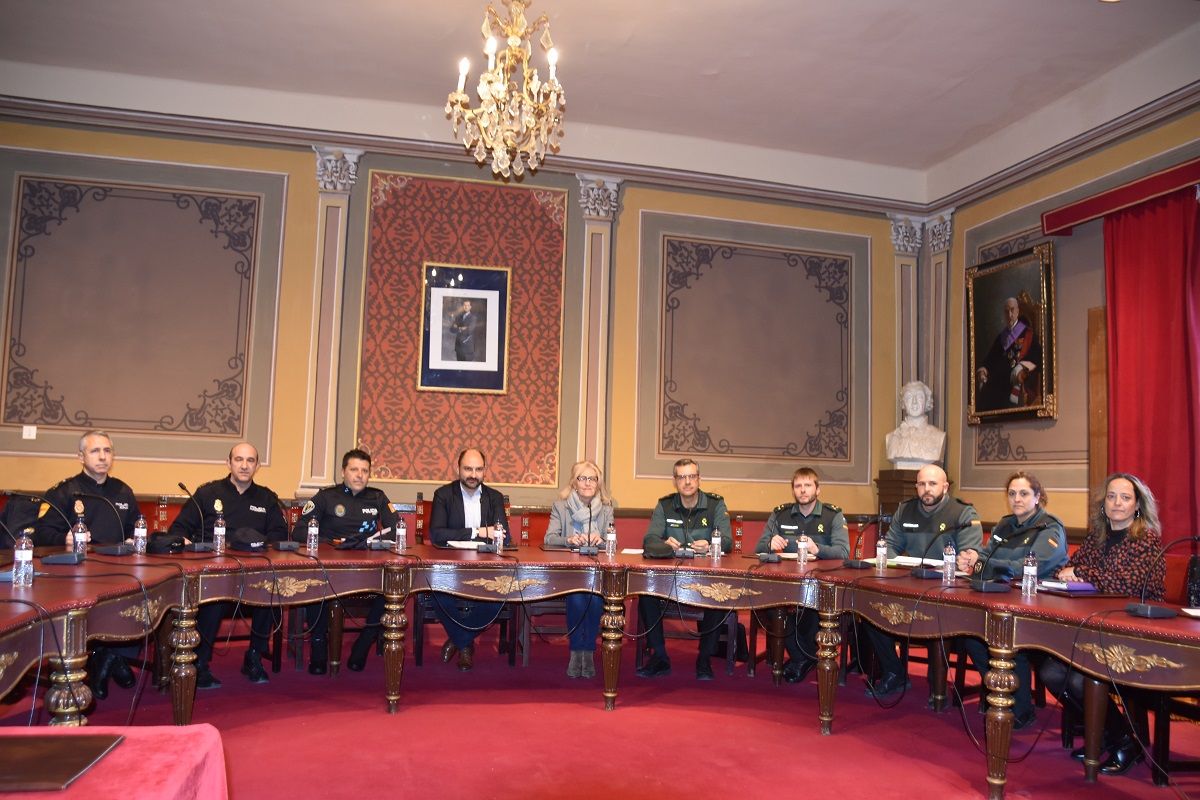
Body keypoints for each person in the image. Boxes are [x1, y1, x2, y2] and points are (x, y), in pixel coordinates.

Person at [1038, 473, 1166, 775]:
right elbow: (1065, 569)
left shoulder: (1146, 540)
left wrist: (1082, 573)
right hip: (1095, 627)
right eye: (1111, 496)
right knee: (1051, 671)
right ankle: (1111, 735)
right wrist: (1074, 571)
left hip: (1135, 633)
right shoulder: (1099, 537)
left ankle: (1125, 742)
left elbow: (1129, 584)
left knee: (1083, 679)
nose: (1117, 503)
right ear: (1103, 503)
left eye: (1125, 497)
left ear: (1137, 506)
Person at [168, 443, 289, 688]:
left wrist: (257, 544)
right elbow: (179, 530)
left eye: (250, 460)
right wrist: (189, 543)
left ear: (258, 465)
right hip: (215, 574)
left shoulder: (267, 498)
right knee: (215, 601)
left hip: (254, 573)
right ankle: (200, 663)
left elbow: (279, 534)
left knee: (270, 592)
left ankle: (254, 657)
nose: (244, 465)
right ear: (229, 463)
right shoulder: (207, 494)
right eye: (239, 459)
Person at [958, 471, 1068, 729]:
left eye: (1024, 493)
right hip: (1001, 599)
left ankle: (1021, 709)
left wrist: (986, 562)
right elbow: (985, 556)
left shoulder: (1050, 526)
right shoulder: (1005, 525)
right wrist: (971, 559)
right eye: (1012, 494)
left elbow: (1032, 566)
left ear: (1038, 497)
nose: (1017, 499)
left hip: (1039, 605)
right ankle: (1001, 696)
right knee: (972, 636)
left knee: (1007, 640)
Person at [34, 431, 140, 700]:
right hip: (77, 576)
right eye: (95, 451)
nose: (103, 457)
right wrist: (64, 538)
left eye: (107, 451)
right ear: (80, 456)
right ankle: (105, 660)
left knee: (144, 599)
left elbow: (135, 527)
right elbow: (42, 533)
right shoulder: (65, 491)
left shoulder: (123, 491)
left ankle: (111, 657)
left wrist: (135, 537)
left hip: (117, 570)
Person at [863, 463, 981, 698]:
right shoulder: (905, 510)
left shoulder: (962, 513)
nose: (927, 489)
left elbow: (970, 555)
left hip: (949, 591)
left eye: (933, 484)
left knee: (935, 617)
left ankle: (937, 686)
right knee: (871, 610)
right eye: (922, 484)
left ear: (945, 487)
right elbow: (891, 547)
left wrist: (965, 560)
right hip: (911, 584)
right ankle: (894, 673)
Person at [292, 448, 397, 675]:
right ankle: (319, 646)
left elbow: (397, 530)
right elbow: (299, 531)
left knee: (392, 587)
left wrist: (369, 543)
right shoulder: (325, 497)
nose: (360, 475)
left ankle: (363, 644)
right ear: (343, 472)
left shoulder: (378, 497)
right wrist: (332, 541)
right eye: (354, 470)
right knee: (312, 581)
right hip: (330, 569)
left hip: (367, 569)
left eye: (365, 471)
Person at [638, 458, 732, 680]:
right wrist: (665, 545)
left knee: (718, 594)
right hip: (670, 578)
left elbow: (727, 541)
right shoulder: (665, 505)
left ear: (699, 479)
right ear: (675, 481)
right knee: (646, 594)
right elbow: (649, 540)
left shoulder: (715, 504)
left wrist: (711, 545)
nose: (687, 482)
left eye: (692, 476)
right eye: (682, 477)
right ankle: (659, 657)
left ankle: (704, 658)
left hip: (704, 576)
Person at [755, 467, 849, 683]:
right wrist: (769, 544)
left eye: (808, 485)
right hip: (786, 582)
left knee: (811, 611)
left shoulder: (833, 515)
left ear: (818, 489)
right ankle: (804, 657)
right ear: (793, 490)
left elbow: (844, 553)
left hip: (820, 582)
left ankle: (801, 658)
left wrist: (819, 550)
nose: (803, 490)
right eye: (798, 486)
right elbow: (758, 547)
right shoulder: (780, 513)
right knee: (768, 606)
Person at [428, 448, 509, 671]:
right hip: (451, 567)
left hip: (485, 567)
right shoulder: (443, 495)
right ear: (458, 469)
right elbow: (437, 534)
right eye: (468, 469)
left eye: (478, 469)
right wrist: (479, 532)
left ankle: (459, 640)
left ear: (484, 471)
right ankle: (465, 644)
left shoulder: (494, 497)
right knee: (436, 593)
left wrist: (493, 533)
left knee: (498, 596)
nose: (473, 474)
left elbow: (505, 535)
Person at [544, 460, 614, 679]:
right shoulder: (561, 506)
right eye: (582, 478)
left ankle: (589, 651)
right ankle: (576, 651)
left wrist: (600, 539)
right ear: (574, 483)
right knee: (576, 599)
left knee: (594, 600)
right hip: (569, 572)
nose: (587, 483)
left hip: (596, 572)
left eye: (592, 479)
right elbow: (549, 538)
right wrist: (570, 539)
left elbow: (613, 542)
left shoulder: (607, 508)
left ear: (598, 483)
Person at [976, 296, 1041, 411]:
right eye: (1006, 311)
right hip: (998, 380)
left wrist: (1022, 366)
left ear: (1017, 311)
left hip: (1016, 379)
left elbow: (1037, 356)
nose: (1009, 315)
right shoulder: (1001, 336)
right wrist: (983, 369)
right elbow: (991, 358)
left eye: (1012, 310)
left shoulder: (1028, 334)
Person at [884, 381, 946, 468]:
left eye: (920, 397)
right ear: (903, 403)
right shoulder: (891, 437)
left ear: (927, 402)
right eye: (909, 397)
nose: (914, 402)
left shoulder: (939, 437)